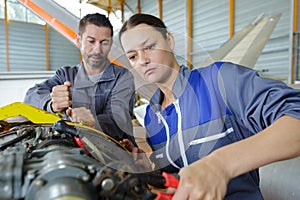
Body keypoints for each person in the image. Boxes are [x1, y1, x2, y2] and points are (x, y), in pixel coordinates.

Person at [118, 13, 300, 200]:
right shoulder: (151, 116)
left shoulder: (219, 81)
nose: (142, 60)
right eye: (132, 56)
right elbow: (177, 176)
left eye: (149, 47)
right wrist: (147, 167)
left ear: (169, 40)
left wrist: (220, 164)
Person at [24, 13, 136, 144]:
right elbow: (30, 96)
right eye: (91, 41)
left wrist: (91, 121)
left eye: (104, 43)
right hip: (74, 145)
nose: (97, 49)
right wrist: (51, 104)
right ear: (78, 40)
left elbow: (119, 121)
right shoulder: (65, 75)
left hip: (119, 149)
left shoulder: (123, 77)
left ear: (111, 44)